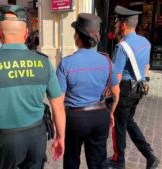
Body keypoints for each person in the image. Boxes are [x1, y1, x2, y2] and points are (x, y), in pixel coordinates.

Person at [0, 5, 65, 169]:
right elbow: (58, 105)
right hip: (36, 136)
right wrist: (60, 137)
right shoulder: (43, 62)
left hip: (5, 140)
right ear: (27, 33)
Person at [56, 14, 120, 169]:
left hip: (75, 118)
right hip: (99, 116)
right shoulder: (106, 61)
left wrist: (59, 132)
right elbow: (116, 93)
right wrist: (110, 113)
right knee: (98, 163)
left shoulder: (66, 63)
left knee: (71, 161)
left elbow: (58, 102)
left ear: (77, 37)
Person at [107, 6, 159, 169]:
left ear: (122, 25)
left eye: (116, 23)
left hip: (125, 91)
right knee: (129, 122)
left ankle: (118, 159)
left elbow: (117, 77)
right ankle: (149, 155)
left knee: (118, 126)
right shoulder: (146, 42)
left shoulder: (121, 47)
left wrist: (111, 104)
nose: (115, 27)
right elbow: (146, 66)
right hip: (139, 89)